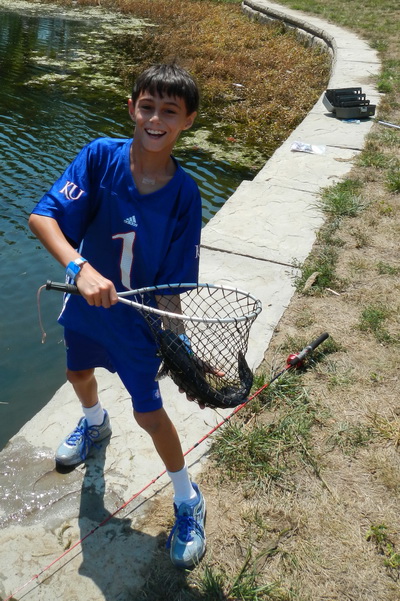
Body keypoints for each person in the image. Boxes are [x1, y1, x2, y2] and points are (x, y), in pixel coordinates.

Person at [28, 63, 206, 569]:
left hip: (137, 322)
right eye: (146, 107)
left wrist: (181, 346)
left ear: (187, 121)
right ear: (131, 109)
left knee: (149, 413)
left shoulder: (185, 195)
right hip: (86, 306)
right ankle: (93, 424)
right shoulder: (99, 157)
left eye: (169, 111)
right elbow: (43, 216)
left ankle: (187, 498)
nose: (155, 118)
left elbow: (172, 287)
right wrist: (79, 267)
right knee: (76, 372)